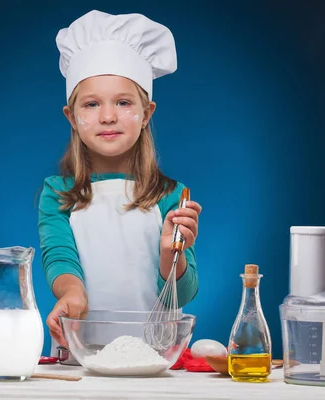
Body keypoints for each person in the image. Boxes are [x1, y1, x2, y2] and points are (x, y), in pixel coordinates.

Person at [37, 10, 202, 352]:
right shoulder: (58, 193)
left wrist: (170, 255)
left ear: (146, 114)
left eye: (123, 102)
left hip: (156, 359)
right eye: (92, 103)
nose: (108, 115)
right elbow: (60, 257)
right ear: (72, 117)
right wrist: (71, 293)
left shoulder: (171, 196)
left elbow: (181, 295)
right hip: (82, 357)